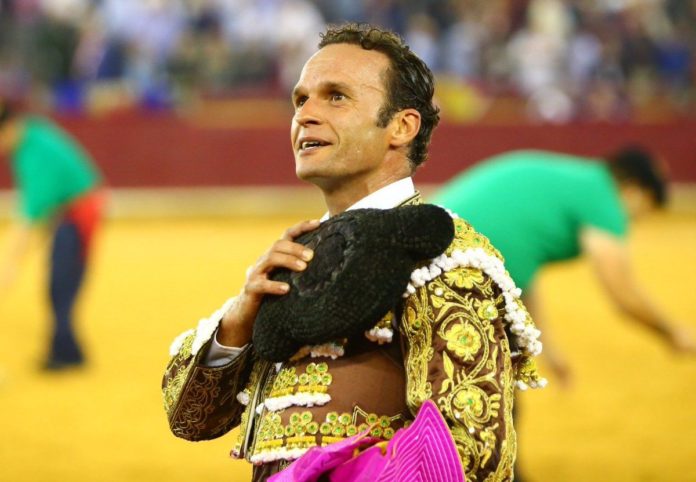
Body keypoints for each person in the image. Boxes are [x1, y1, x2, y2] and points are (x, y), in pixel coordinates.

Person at [162, 24, 544, 482]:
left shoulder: (444, 260)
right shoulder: (296, 257)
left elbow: (473, 452)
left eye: (336, 97)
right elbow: (190, 418)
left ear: (401, 126)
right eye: (301, 100)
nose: (306, 115)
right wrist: (240, 320)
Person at [432, 148, 695, 385]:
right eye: (646, 209)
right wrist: (673, 333)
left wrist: (545, 346)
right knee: (486, 397)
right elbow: (622, 292)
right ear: (633, 192)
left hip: (437, 257)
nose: (636, 220)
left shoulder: (580, 183)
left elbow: (519, 271)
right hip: (455, 272)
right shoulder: (604, 199)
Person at [0, 101, 105, 371]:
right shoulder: (33, 136)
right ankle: (65, 349)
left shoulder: (31, 152)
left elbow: (30, 215)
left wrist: (10, 264)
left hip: (78, 214)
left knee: (61, 283)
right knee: (61, 282)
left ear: (9, 128)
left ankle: (66, 352)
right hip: (71, 213)